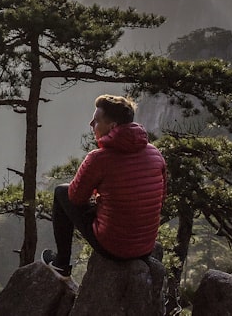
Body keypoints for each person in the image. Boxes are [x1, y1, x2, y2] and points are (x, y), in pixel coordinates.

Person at [41, 94, 167, 277]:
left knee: (61, 191)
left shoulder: (99, 158)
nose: (91, 124)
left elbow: (75, 198)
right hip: (145, 246)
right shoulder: (155, 153)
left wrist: (97, 197)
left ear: (113, 127)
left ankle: (61, 263)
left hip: (114, 248)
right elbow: (160, 198)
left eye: (96, 121)